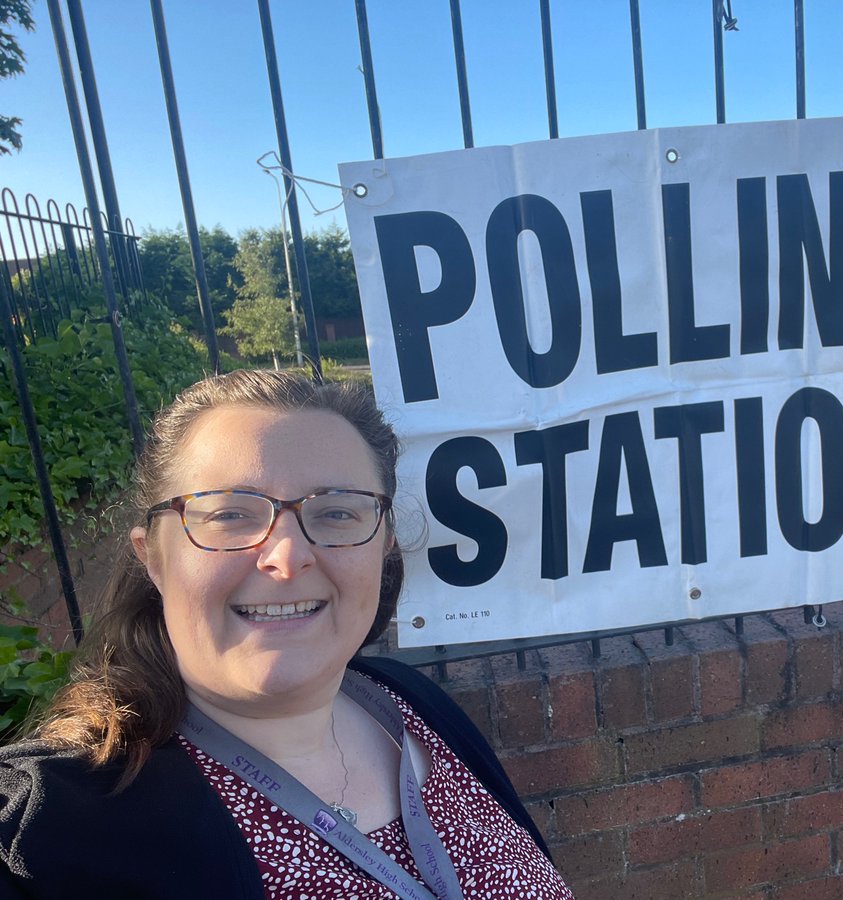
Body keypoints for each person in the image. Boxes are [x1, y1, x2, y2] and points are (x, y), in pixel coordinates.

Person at [0, 370, 572, 899]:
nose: (288, 555)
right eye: (229, 515)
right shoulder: (53, 829)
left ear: (385, 543)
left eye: (337, 512)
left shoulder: (409, 704)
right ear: (153, 557)